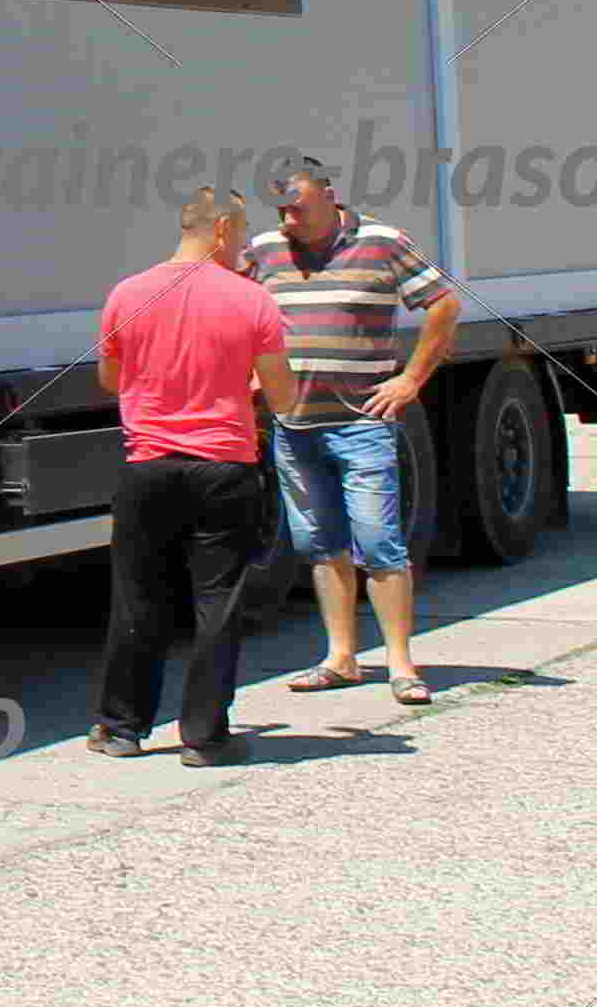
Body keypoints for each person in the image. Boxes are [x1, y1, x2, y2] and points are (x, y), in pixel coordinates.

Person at [92, 188, 303, 766]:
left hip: (148, 465)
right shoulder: (252, 299)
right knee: (218, 601)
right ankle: (205, 737)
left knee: (139, 596)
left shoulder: (127, 293)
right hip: (223, 466)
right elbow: (281, 395)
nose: (244, 246)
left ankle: (121, 729)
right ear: (222, 229)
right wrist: (249, 385)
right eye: (242, 234)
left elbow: (111, 378)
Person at [242, 157, 460, 706]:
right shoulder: (265, 250)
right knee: (320, 544)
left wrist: (411, 378)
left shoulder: (382, 241)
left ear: (328, 194)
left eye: (297, 207)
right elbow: (233, 310)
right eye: (281, 210)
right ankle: (340, 658)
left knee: (380, 542)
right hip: (294, 424)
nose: (288, 219)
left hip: (362, 423)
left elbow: (444, 303)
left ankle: (401, 664)